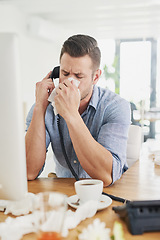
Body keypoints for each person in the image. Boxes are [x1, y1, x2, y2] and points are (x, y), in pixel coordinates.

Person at [25, 34, 131, 187]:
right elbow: (28, 171)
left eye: (78, 76)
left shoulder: (115, 106)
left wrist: (71, 115)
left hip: (110, 193)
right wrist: (39, 107)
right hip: (65, 190)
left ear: (95, 77)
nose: (69, 82)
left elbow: (106, 176)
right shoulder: (44, 107)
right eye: (65, 73)